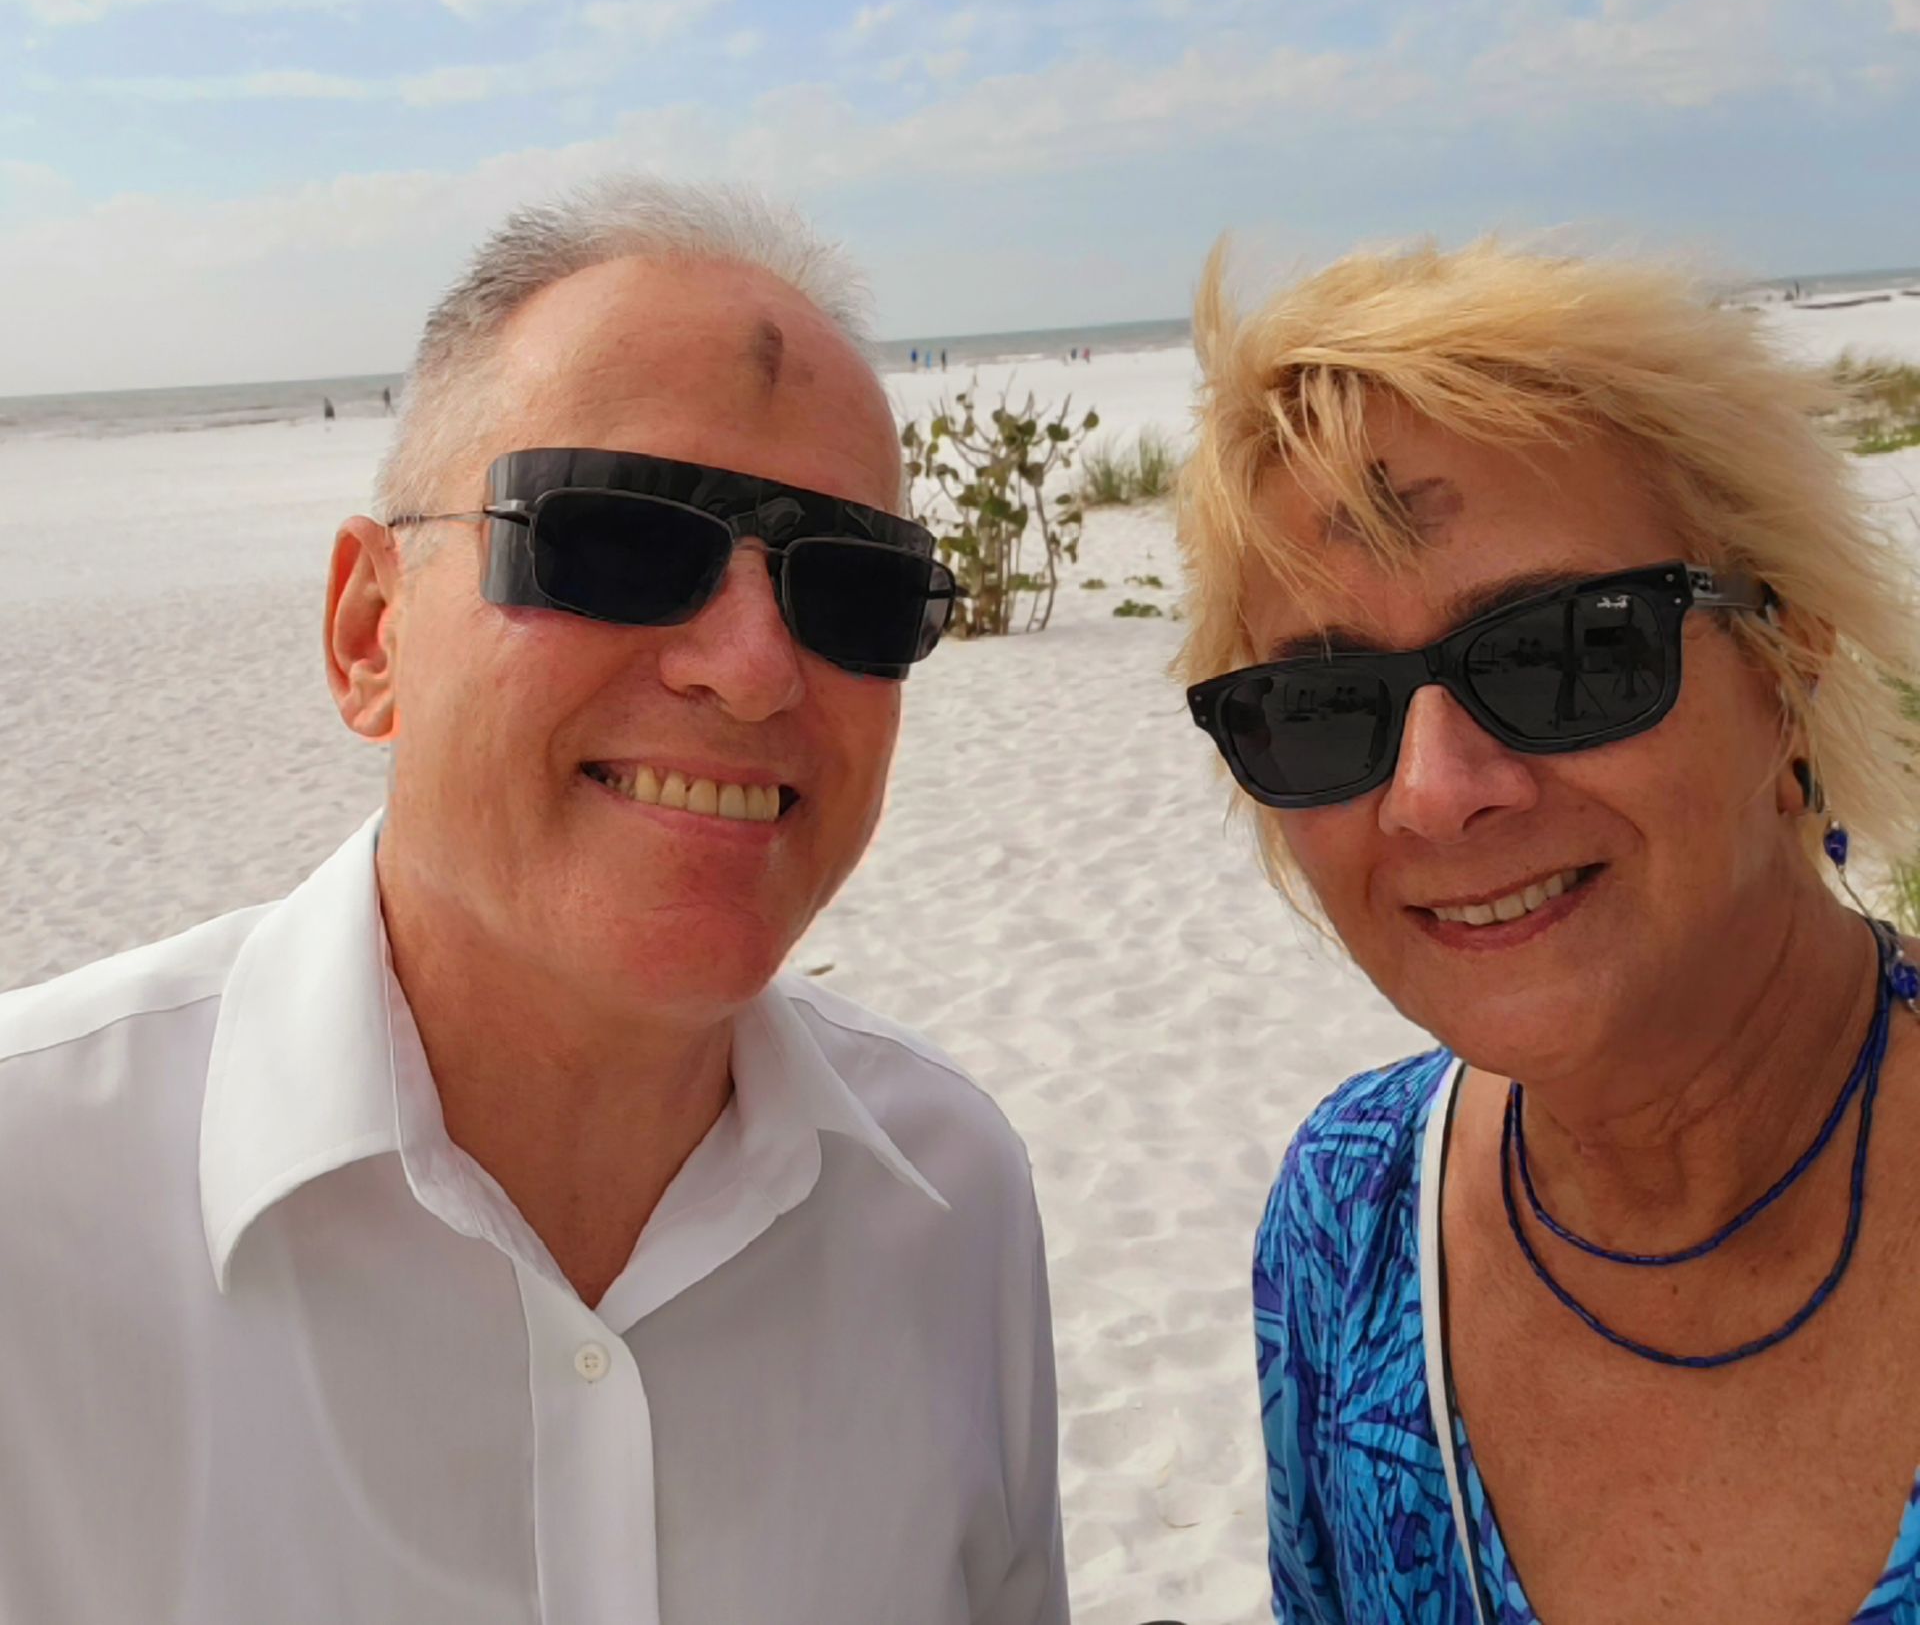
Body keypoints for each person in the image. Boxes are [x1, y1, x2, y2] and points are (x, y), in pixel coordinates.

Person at [0, 177, 1066, 1624]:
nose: (752, 666)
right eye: (617, 539)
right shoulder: (35, 1198)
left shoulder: (951, 1208)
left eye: (855, 589)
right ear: (370, 631)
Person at [1176, 237, 1920, 1622]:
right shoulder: (1352, 1223)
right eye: (1327, 705)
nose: (1436, 794)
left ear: (1787, 656)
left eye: (1562, 653)